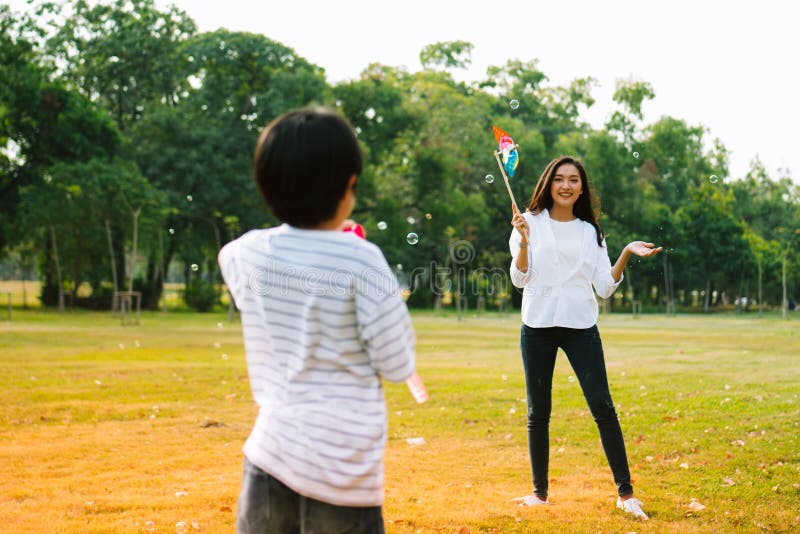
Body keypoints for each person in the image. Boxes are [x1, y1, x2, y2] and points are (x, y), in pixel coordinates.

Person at [218, 106, 416, 533]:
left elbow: (229, 258)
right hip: (342, 469)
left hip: (269, 457)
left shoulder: (247, 252)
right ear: (349, 184)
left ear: (266, 184)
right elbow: (397, 364)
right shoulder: (362, 258)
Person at [508, 155, 661, 520]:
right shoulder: (526, 223)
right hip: (538, 327)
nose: (566, 186)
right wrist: (525, 243)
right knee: (537, 411)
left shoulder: (591, 232)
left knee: (603, 407)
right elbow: (519, 279)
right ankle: (539, 494)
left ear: (582, 187)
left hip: (581, 328)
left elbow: (605, 288)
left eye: (573, 180)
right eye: (559, 179)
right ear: (548, 183)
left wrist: (625, 253)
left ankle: (625, 495)